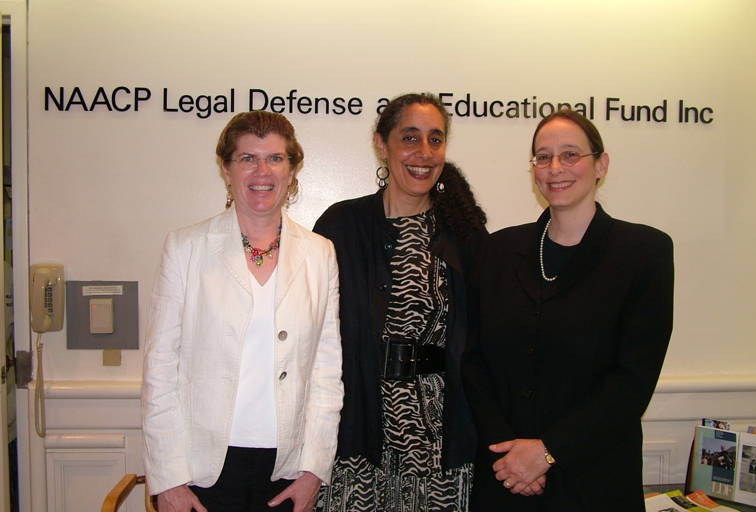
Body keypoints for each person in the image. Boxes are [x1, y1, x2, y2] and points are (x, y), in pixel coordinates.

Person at [463, 109, 674, 511]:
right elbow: (474, 362)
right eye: (543, 157)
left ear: (601, 165)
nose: (555, 168)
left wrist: (546, 453)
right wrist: (510, 458)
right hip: (504, 479)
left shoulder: (644, 252)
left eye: (570, 154)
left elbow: (633, 379)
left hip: (594, 478)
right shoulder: (497, 251)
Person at [141, 110, 343, 512]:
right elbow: (160, 367)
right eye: (247, 158)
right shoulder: (186, 248)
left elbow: (327, 371)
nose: (261, 171)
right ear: (226, 168)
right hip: (202, 471)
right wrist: (169, 480)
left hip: (287, 468)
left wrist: (314, 472)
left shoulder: (321, 253)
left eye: (275, 158)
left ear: (292, 169)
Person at [313, 93, 487, 512]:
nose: (424, 153)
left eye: (435, 139)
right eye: (410, 137)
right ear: (381, 144)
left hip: (439, 437)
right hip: (356, 431)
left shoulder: (465, 234)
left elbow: (484, 341)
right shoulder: (341, 226)